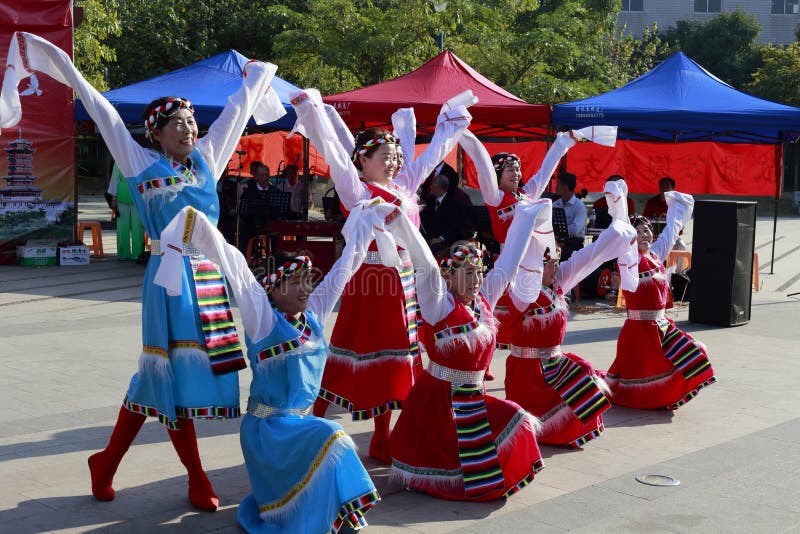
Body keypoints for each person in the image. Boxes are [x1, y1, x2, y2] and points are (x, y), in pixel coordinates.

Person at [0, 31, 286, 511]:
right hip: (165, 281)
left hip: (208, 280)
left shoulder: (206, 164)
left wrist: (255, 79)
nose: (189, 130)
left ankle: (107, 461)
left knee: (163, 381)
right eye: (178, 123)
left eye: (192, 122)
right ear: (155, 132)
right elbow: (103, 112)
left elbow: (235, 118)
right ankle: (195, 476)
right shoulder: (140, 163)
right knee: (166, 374)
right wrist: (60, 64)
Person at [155, 202, 386, 533]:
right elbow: (235, 265)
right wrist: (198, 224)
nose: (307, 288)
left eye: (309, 280)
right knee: (333, 435)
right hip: (266, 431)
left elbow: (345, 268)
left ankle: (338, 517)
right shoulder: (263, 320)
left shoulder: (314, 315)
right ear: (274, 288)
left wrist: (368, 221)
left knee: (324, 444)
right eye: (296, 282)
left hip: (298, 428)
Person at [289, 89, 471, 464]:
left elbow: (431, 156)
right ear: (363, 159)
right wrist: (312, 112)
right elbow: (335, 154)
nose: (393, 163)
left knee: (396, 358)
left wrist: (450, 127)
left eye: (396, 157)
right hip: (369, 282)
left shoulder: (404, 187)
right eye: (385, 157)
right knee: (351, 350)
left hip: (403, 283)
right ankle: (313, 424)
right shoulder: (356, 190)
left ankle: (381, 437)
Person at [387, 198, 550, 501]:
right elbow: (424, 263)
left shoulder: (483, 302)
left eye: (478, 272)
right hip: (438, 403)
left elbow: (508, 263)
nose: (476, 280)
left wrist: (527, 218)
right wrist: (400, 222)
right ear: (449, 275)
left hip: (473, 397)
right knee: (450, 464)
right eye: (467, 272)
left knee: (516, 418)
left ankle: (491, 473)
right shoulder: (438, 306)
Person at [458, 126, 616, 353]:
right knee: (491, 312)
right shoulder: (495, 197)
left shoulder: (526, 195)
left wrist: (563, 143)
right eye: (510, 170)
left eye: (518, 169)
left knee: (532, 313)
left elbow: (544, 173)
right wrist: (464, 133)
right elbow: (482, 165)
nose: (516, 174)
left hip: (534, 262)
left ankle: (536, 352)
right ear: (497, 175)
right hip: (509, 262)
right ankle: (482, 358)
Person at [503, 184, 637, 447]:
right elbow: (526, 257)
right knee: (539, 418)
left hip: (553, 364)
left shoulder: (558, 281)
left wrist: (618, 221)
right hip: (527, 375)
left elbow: (588, 258)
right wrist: (532, 220)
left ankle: (559, 431)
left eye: (555, 259)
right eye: (549, 261)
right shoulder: (519, 291)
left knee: (585, 374)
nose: (556, 265)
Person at [606, 192, 717, 409]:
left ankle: (666, 396)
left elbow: (671, 231)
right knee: (644, 379)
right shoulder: (628, 260)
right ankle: (657, 399)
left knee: (694, 351)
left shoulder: (656, 255)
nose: (644, 234)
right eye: (638, 232)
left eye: (646, 230)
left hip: (662, 327)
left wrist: (679, 206)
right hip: (639, 333)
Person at [420, 162, 474, 254]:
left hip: (454, 238)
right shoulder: (432, 199)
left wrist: (440, 238)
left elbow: (455, 226)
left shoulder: (455, 203)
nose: (430, 187)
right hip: (436, 234)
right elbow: (430, 217)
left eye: (433, 185)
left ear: (441, 188)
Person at [107, 163, 146, 261]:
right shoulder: (118, 161)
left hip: (138, 198)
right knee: (122, 227)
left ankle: (138, 254)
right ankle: (123, 254)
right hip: (122, 197)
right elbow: (115, 179)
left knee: (138, 227)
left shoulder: (139, 158)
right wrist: (114, 197)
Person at [238, 161, 274, 254]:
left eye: (267, 175)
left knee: (277, 235)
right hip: (251, 224)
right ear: (256, 177)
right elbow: (243, 212)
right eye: (262, 175)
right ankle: (245, 261)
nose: (265, 178)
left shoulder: (275, 191)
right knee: (243, 233)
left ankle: (275, 261)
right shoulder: (248, 191)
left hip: (269, 224)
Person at [552, 171, 588, 262]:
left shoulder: (580, 207)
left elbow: (575, 230)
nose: (556, 187)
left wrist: (559, 232)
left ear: (565, 187)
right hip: (557, 243)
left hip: (573, 246)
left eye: (558, 184)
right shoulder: (555, 204)